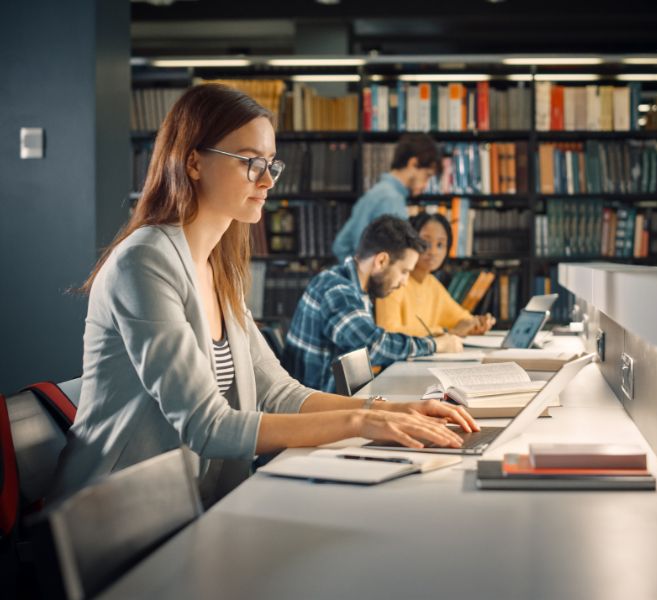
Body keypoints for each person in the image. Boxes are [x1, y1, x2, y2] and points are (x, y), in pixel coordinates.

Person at [54, 84, 476, 506]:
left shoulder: (219, 267)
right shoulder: (144, 262)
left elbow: (279, 393)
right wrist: (361, 421)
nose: (268, 180)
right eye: (252, 163)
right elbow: (207, 425)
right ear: (193, 162)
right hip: (112, 521)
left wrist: (390, 410)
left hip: (191, 506)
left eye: (272, 164)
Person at [282, 215, 464, 393]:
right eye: (404, 271)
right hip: (318, 413)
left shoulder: (353, 287)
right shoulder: (337, 290)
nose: (404, 282)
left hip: (338, 403)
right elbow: (371, 345)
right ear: (381, 261)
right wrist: (435, 345)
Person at [376, 212, 496, 336]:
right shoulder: (393, 281)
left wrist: (476, 324)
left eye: (440, 245)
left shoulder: (432, 284)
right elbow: (388, 332)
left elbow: (461, 318)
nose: (433, 252)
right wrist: (444, 332)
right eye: (425, 243)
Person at [331, 133, 441, 261]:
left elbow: (340, 245)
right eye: (427, 175)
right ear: (413, 164)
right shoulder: (391, 199)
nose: (426, 185)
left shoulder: (379, 192)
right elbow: (393, 259)